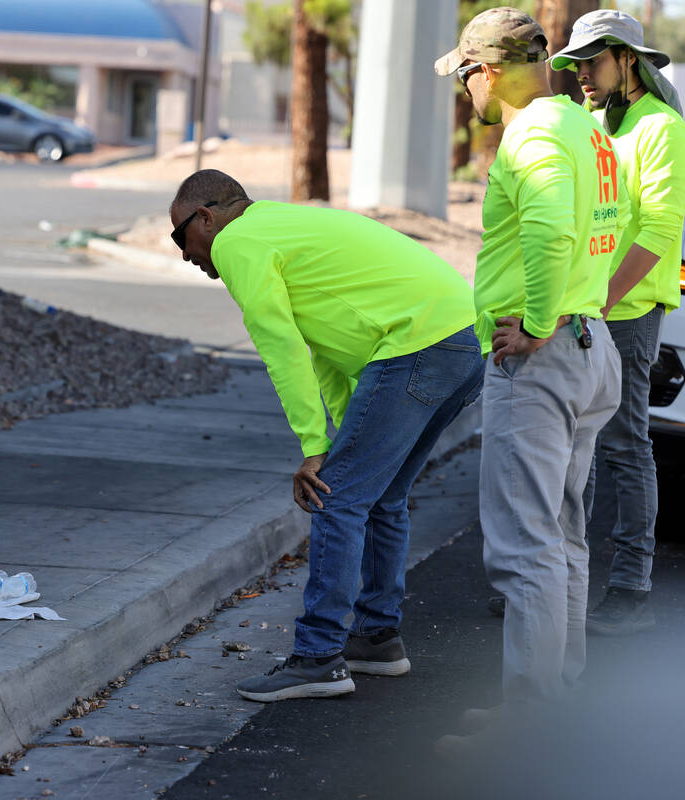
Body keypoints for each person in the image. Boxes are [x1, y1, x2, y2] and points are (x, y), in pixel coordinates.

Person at [168, 170, 484, 702]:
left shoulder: (239, 241)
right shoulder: (280, 226)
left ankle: (318, 656)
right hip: (459, 341)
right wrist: (334, 440)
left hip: (416, 345)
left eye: (181, 237)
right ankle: (377, 639)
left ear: (207, 216)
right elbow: (326, 354)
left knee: (335, 498)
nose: (185, 255)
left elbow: (281, 348)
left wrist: (315, 449)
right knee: (381, 496)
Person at [433, 7, 625, 728]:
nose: (466, 95)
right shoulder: (583, 126)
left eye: (465, 79)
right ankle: (555, 704)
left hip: (542, 357)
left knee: (525, 545)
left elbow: (549, 229)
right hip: (588, 344)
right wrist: (573, 313)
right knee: (564, 537)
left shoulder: (533, 133)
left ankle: (530, 723)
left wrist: (539, 323)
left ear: (488, 70)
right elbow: (615, 224)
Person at [545, 9, 685, 636]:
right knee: (582, 446)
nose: (580, 76)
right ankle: (564, 584)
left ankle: (629, 587)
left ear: (628, 59)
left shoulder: (660, 127)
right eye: (573, 66)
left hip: (626, 311)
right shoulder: (600, 122)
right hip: (590, 307)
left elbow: (657, 230)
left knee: (626, 444)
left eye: (590, 63)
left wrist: (599, 300)